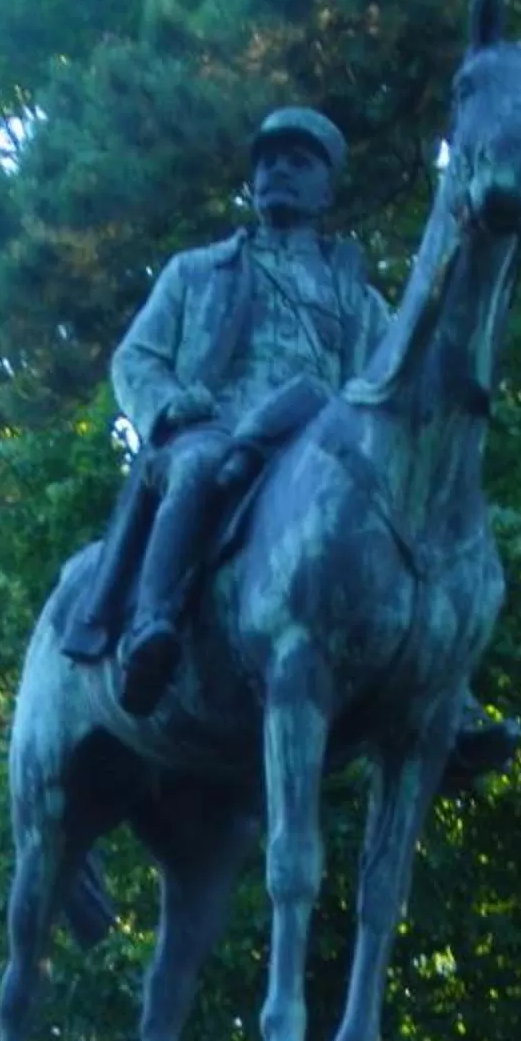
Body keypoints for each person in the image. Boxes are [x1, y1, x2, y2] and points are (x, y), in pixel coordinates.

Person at [65, 107, 390, 716]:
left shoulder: (361, 301)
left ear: (327, 190)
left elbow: (385, 391)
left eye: (298, 163)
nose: (277, 172)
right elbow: (137, 357)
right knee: (199, 465)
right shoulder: (196, 271)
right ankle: (151, 626)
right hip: (212, 426)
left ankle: (434, 685)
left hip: (319, 445)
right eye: (267, 161)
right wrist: (169, 405)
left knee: (407, 515)